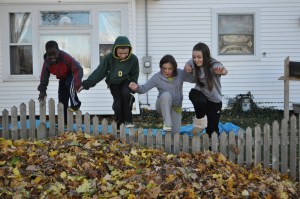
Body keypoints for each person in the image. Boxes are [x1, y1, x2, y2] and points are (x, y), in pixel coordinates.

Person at [80, 36, 139, 129]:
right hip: (113, 83)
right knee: (118, 103)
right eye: (120, 53)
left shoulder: (133, 59)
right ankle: (120, 123)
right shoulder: (109, 58)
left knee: (125, 93)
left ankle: (128, 120)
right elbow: (100, 72)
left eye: (126, 53)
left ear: (129, 51)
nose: (123, 56)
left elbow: (134, 74)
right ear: (115, 50)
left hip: (126, 81)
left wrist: (133, 83)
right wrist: (85, 84)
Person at [129, 54, 194, 135]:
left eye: (170, 69)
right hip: (162, 105)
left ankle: (171, 146)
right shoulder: (157, 77)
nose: (167, 71)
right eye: (164, 68)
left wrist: (191, 67)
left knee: (175, 134)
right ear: (161, 68)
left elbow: (193, 79)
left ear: (174, 68)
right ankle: (167, 124)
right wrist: (136, 87)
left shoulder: (179, 73)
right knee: (166, 95)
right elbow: (144, 89)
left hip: (176, 108)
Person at [184, 42, 228, 137]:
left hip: (214, 101)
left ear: (206, 56)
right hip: (201, 95)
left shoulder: (213, 64)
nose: (196, 60)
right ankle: (200, 123)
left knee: (212, 130)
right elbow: (188, 63)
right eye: (194, 57)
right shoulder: (193, 62)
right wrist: (186, 66)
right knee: (194, 95)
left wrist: (222, 71)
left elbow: (224, 70)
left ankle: (211, 149)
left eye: (199, 57)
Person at [37, 40, 83, 123]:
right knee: (62, 98)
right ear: (46, 53)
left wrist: (77, 82)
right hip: (62, 78)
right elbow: (44, 77)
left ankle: (76, 104)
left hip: (72, 73)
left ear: (58, 51)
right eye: (49, 54)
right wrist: (42, 91)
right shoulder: (47, 62)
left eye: (54, 54)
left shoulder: (65, 57)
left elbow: (78, 68)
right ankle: (64, 121)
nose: (52, 57)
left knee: (70, 83)